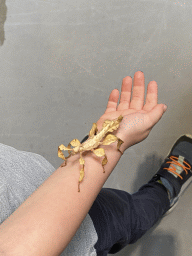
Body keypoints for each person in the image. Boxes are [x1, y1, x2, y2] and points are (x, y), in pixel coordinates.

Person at [0, 71, 191, 256]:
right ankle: (164, 190)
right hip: (80, 240)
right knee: (129, 214)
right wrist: (118, 137)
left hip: (46, 183)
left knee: (120, 207)